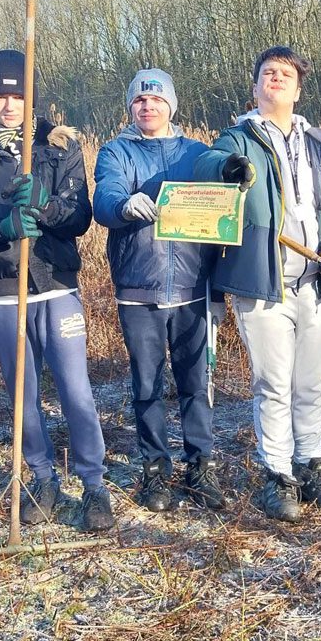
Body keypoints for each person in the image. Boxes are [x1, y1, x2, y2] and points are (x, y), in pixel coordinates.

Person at [0, 49, 114, 532]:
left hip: (56, 285)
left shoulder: (60, 146)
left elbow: (80, 217)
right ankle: (42, 479)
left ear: (30, 97)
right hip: (4, 289)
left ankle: (94, 485)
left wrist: (42, 208)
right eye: (0, 96)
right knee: (23, 395)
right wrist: (2, 226)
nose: (9, 104)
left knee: (76, 391)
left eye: (17, 94)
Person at [193, 46, 321, 523]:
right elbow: (207, 165)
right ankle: (277, 475)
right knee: (273, 384)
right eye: (268, 72)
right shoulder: (239, 138)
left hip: (314, 282)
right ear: (255, 86)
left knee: (312, 383)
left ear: (299, 87)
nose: (277, 79)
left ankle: (310, 465)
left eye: (286, 74)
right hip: (261, 285)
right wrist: (229, 170)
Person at [93, 69, 225, 512]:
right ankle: (155, 469)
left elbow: (223, 204)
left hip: (192, 286)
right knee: (147, 383)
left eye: (156, 100)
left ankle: (199, 465)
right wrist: (123, 205)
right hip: (139, 288)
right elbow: (105, 198)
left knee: (195, 381)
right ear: (131, 107)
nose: (147, 107)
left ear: (171, 105)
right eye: (139, 101)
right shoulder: (116, 152)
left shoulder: (197, 153)